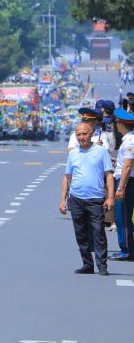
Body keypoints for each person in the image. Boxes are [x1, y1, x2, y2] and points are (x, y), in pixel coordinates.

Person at [59, 119, 114, 275]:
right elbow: (67, 177)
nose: (81, 137)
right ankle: (87, 264)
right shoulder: (73, 153)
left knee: (98, 232)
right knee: (81, 233)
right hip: (76, 198)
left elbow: (109, 175)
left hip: (95, 199)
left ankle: (102, 265)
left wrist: (110, 197)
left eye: (84, 134)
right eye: (78, 135)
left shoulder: (101, 152)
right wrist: (62, 200)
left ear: (91, 134)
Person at [113, 108, 134, 261]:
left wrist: (121, 187)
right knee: (122, 216)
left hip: (126, 182)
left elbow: (127, 165)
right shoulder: (129, 139)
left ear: (120, 124)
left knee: (123, 217)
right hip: (125, 180)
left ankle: (126, 250)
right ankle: (126, 248)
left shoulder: (129, 141)